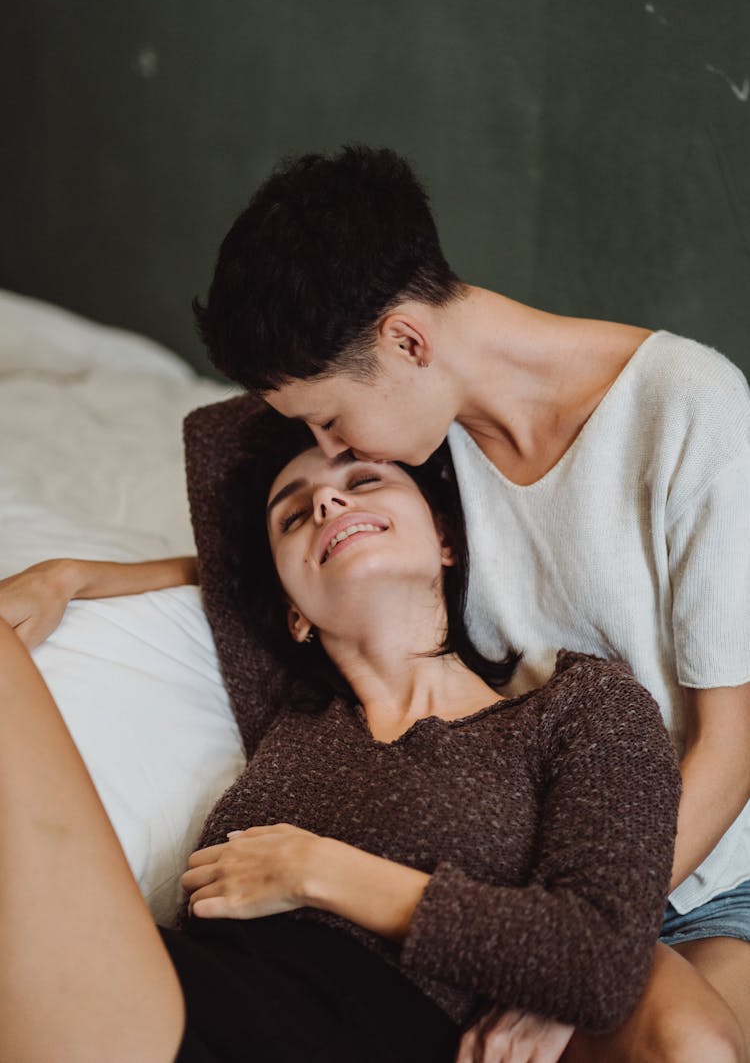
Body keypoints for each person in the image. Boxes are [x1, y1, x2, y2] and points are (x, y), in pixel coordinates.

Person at [2, 143, 748, 1061]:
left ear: (406, 340)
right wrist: (82, 575)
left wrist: (565, 952)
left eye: (329, 422)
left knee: (698, 1039)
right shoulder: (432, 449)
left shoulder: (692, 411)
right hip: (514, 874)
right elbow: (294, 567)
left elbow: (732, 745)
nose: (327, 451)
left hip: (700, 868)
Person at [0, 412, 680, 1063]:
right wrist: (71, 574)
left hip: (338, 1037)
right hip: (179, 993)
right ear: (293, 611)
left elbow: (598, 958)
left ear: (446, 536)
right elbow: (224, 452)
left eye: (364, 480)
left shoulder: (579, 708)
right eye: (294, 514)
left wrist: (318, 871)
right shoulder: (289, 705)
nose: (327, 502)